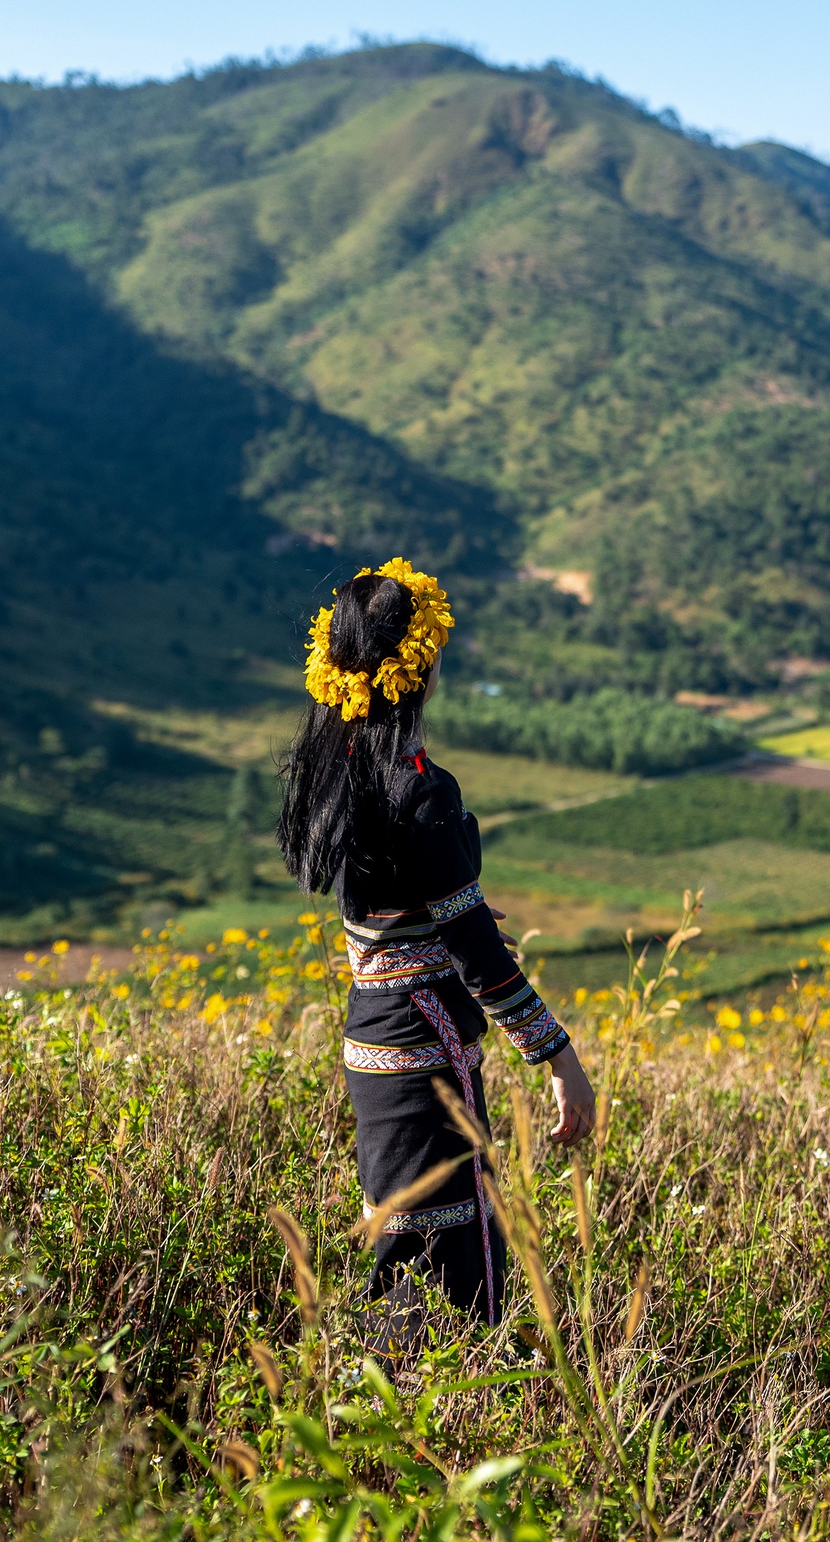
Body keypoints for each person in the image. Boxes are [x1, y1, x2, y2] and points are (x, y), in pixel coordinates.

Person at [276, 557, 595, 1328]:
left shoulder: (338, 767)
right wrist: (560, 1057)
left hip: (373, 1046)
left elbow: (406, 919)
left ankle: (378, 1426)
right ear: (419, 665)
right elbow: (476, 951)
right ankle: (442, 1433)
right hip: (426, 1051)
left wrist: (448, 932)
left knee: (403, 1253)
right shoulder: (418, 787)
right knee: (455, 1271)